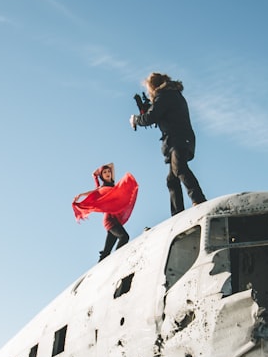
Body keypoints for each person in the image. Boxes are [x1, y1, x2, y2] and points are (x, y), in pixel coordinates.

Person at [129, 72, 206, 216]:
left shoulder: (165, 96)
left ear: (153, 86)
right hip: (180, 138)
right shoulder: (172, 94)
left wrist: (136, 119)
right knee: (172, 179)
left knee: (180, 168)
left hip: (178, 139)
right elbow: (160, 113)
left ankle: (199, 199)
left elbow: (151, 117)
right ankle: (177, 213)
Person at [72, 163, 139, 261]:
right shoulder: (102, 188)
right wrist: (81, 194)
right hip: (110, 220)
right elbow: (93, 193)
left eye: (108, 172)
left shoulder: (113, 185)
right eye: (104, 172)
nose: (108, 173)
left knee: (107, 251)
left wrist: (96, 173)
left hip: (116, 219)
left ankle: (102, 261)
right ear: (101, 176)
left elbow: (111, 165)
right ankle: (118, 259)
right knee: (124, 237)